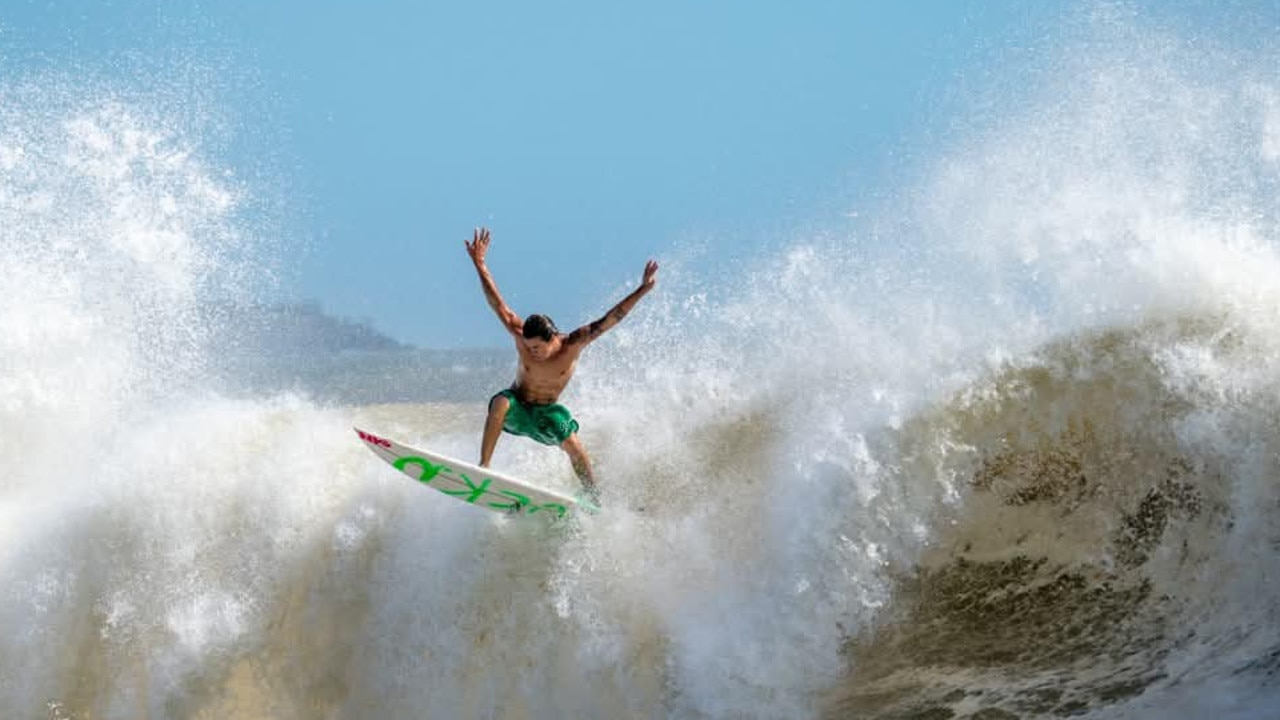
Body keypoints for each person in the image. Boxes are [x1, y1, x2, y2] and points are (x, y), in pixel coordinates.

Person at [465, 226, 657, 502]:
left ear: (552, 338)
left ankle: (593, 497)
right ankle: (484, 467)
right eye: (528, 348)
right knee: (500, 402)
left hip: (546, 416)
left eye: (538, 348)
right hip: (519, 410)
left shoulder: (572, 344)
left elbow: (612, 318)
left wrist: (642, 289)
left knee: (574, 445)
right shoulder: (520, 336)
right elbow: (498, 304)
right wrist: (480, 264)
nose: (533, 353)